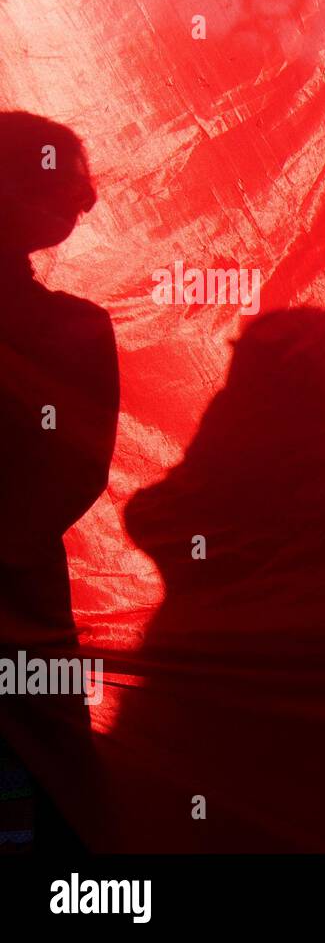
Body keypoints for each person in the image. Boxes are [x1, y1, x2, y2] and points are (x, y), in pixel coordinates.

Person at [0, 112, 118, 850]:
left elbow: (66, 475)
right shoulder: (71, 330)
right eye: (63, 189)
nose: (80, 206)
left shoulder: (71, 331)